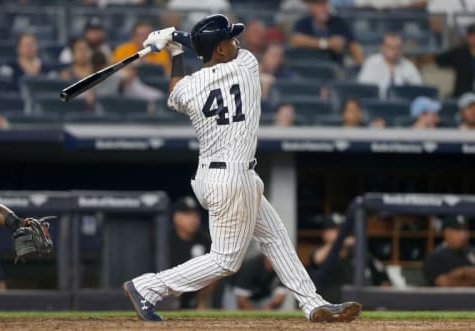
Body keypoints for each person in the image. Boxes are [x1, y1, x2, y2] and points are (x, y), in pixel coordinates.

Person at [123, 14, 361, 323]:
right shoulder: (247, 65)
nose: (236, 43)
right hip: (233, 179)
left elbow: (175, 90)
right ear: (220, 50)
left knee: (275, 237)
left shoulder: (190, 88)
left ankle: (311, 303)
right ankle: (147, 287)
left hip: (219, 177)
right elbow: (212, 54)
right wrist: (178, 38)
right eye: (229, 40)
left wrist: (175, 51)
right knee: (225, 261)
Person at [308, 214, 390, 302]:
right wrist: (341, 242)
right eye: (334, 229)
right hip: (328, 308)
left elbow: (383, 280)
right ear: (324, 234)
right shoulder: (320, 252)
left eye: (342, 229)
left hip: (360, 308)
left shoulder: (360, 253)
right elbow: (317, 258)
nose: (340, 233)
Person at [289, 0, 364, 65]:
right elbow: (295, 40)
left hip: (334, 69)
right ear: (310, 7)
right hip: (309, 69)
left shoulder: (339, 22)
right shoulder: (303, 22)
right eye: (318, 5)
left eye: (324, 4)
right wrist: (326, 43)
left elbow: (354, 45)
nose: (323, 8)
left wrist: (360, 64)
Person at [169, 196, 212, 309]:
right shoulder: (164, 239)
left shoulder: (206, 241)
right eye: (187, 214)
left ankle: (200, 304)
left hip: (195, 294)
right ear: (175, 217)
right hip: (166, 294)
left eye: (194, 214)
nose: (192, 218)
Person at [357, 32, 423, 99]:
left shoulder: (409, 66)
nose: (394, 50)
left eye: (397, 47)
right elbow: (363, 89)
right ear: (382, 47)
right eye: (390, 47)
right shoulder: (371, 63)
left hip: (402, 105)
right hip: (377, 104)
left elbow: (418, 90)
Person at [424, 215, 475, 286]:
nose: (463, 235)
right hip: (447, 297)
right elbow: (444, 283)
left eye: (465, 230)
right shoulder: (435, 256)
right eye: (457, 230)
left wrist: (462, 273)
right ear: (446, 232)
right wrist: (465, 272)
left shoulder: (472, 251)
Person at [434, 24, 475, 97]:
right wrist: (437, 32)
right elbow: (438, 59)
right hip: (462, 97)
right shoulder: (459, 53)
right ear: (467, 37)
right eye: (473, 35)